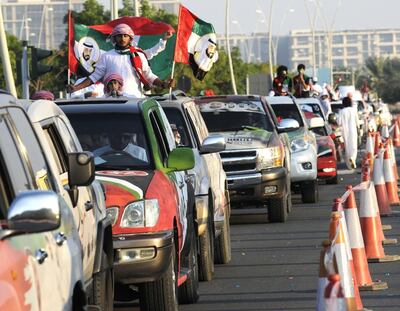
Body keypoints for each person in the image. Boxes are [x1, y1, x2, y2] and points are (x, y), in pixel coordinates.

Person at [67, 23, 173, 98]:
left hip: (134, 100)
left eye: (125, 36)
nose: (122, 39)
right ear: (114, 38)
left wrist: (164, 84)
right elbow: (94, 77)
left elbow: (149, 76)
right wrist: (76, 88)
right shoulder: (107, 56)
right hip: (112, 101)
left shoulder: (138, 55)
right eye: (119, 36)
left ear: (130, 38)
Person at [337, 96, 359, 169]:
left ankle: (349, 165)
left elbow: (339, 122)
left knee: (347, 147)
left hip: (344, 131)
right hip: (353, 130)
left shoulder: (341, 111)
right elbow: (357, 122)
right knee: (353, 146)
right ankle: (353, 158)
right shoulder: (354, 110)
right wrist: (358, 129)